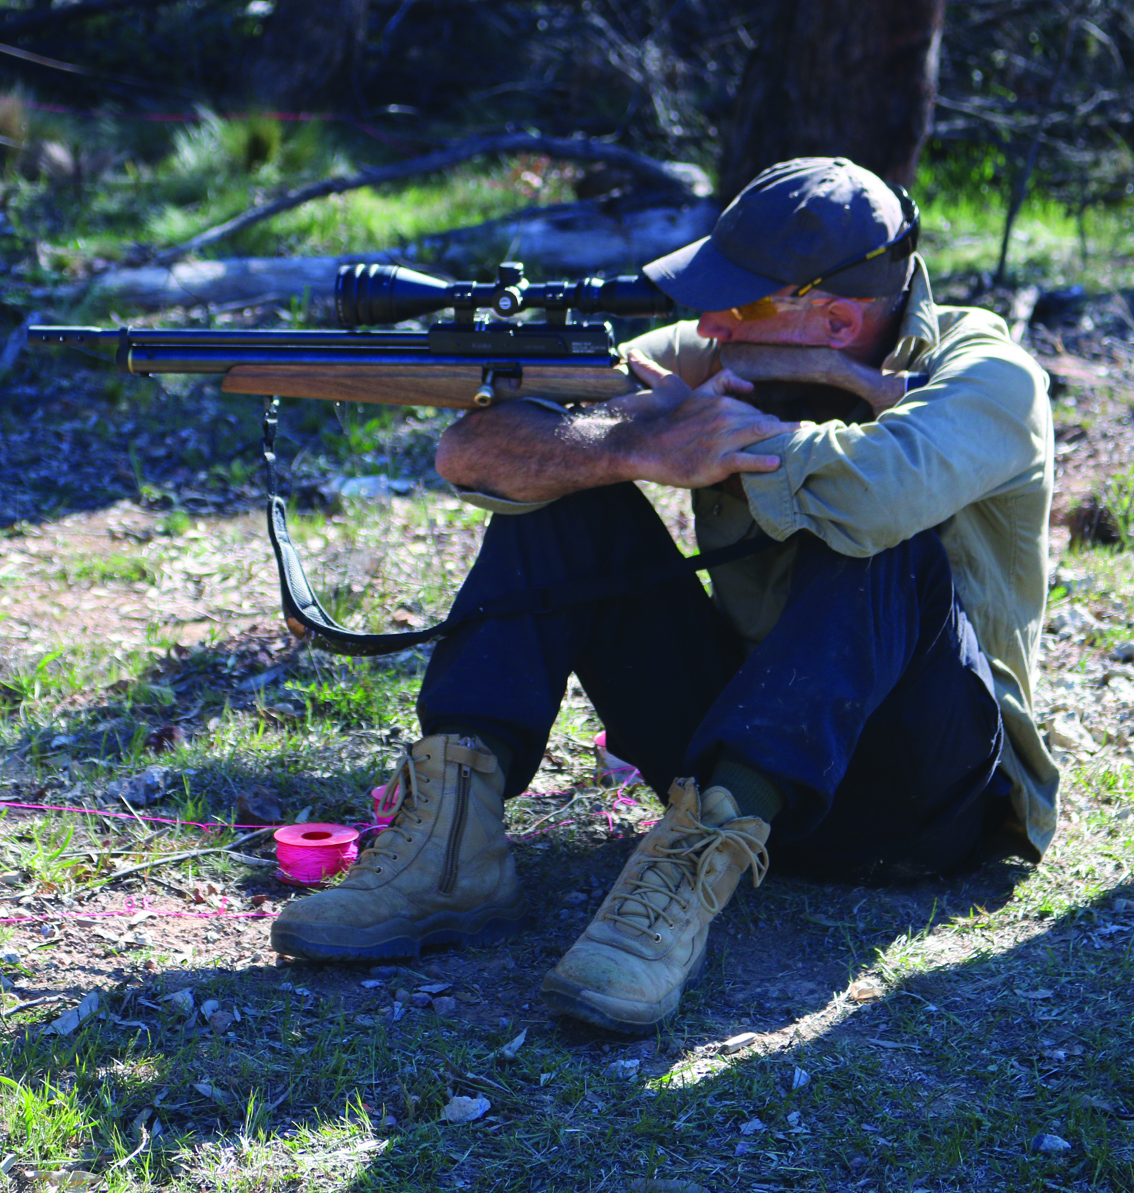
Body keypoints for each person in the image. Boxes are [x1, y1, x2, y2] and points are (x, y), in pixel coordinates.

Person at [271, 157, 1059, 1034]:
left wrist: (728, 437)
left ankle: (686, 877)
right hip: (727, 756)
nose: (708, 321)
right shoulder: (727, 350)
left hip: (919, 803)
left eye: (740, 302)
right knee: (574, 485)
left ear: (836, 320)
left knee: (881, 540)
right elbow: (476, 449)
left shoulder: (991, 374)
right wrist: (630, 449)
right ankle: (452, 845)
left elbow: (877, 494)